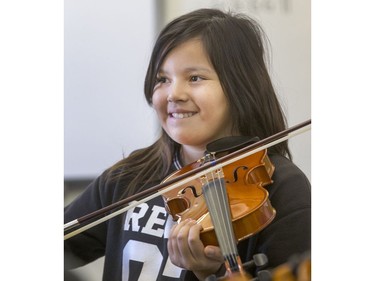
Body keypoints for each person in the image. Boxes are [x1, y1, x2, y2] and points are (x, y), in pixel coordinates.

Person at [64, 8, 311, 281]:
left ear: (240, 86)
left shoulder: (281, 187)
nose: (174, 94)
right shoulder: (128, 177)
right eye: (162, 79)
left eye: (195, 78)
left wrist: (212, 272)